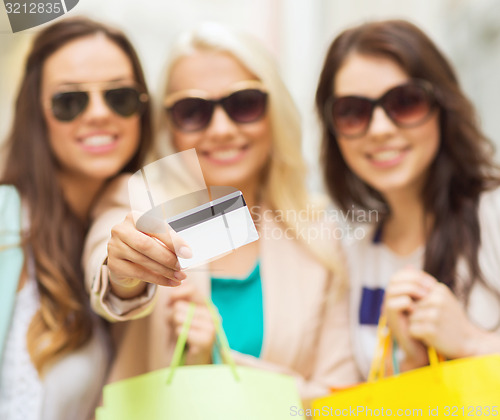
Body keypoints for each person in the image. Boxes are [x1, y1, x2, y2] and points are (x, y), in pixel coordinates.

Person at [83, 22, 360, 400]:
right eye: (192, 111)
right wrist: (124, 271)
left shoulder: (317, 235)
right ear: (169, 125)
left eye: (243, 103)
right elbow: (108, 275)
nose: (221, 128)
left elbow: (339, 399)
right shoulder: (139, 204)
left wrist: (222, 360)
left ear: (274, 110)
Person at [315, 19, 500, 378]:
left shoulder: (493, 214)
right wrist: (410, 363)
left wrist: (472, 343)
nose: (381, 129)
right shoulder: (354, 257)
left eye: (405, 102)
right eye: (353, 111)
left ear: (443, 107)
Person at [0, 16, 152, 420]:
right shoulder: (5, 223)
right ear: (37, 114)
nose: (100, 114)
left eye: (119, 96)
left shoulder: (134, 223)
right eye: (70, 101)